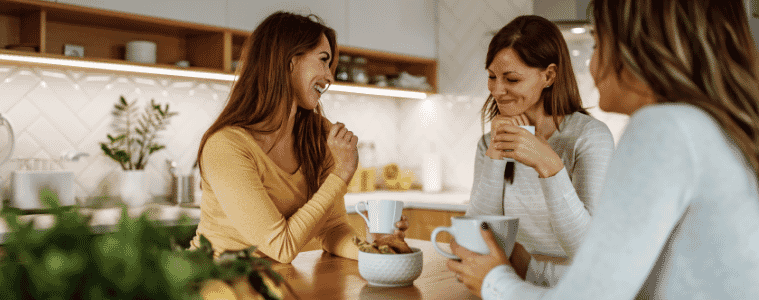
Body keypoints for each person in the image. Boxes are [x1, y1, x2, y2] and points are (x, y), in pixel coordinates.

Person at [448, 0, 759, 298]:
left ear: (637, 47)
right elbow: (626, 284)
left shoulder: (665, 126)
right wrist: (530, 269)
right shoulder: (705, 127)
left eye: (596, 44)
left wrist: (494, 283)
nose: (590, 64)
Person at [188, 12, 407, 263]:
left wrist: (376, 250)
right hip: (215, 282)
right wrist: (341, 173)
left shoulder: (316, 137)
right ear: (290, 61)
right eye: (323, 60)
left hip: (272, 282)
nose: (330, 77)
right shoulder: (227, 145)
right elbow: (281, 247)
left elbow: (333, 228)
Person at [467, 14, 615, 265]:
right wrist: (495, 154)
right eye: (492, 76)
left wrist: (547, 164)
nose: (496, 90)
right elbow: (476, 238)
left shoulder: (590, 138)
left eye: (512, 79)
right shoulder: (488, 143)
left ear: (549, 76)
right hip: (509, 286)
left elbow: (588, 250)